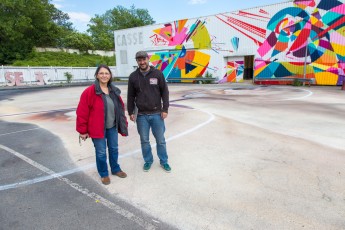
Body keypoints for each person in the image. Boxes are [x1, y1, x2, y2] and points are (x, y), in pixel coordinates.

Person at [76, 64, 128, 185]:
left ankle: (115, 169)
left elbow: (120, 108)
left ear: (110, 76)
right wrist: (82, 130)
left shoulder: (113, 90)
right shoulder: (89, 92)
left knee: (114, 149)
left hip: (112, 127)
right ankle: (104, 173)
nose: (104, 75)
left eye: (107, 73)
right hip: (97, 128)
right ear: (97, 75)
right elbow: (82, 112)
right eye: (101, 73)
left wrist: (122, 123)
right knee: (101, 152)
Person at [127, 51, 171, 173]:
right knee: (144, 141)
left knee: (160, 140)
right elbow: (130, 96)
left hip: (157, 114)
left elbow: (165, 92)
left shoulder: (157, 74)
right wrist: (130, 111)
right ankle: (148, 161)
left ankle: (164, 161)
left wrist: (165, 109)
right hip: (141, 116)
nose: (142, 62)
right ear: (137, 61)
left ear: (148, 59)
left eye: (144, 59)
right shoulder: (133, 77)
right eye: (139, 60)